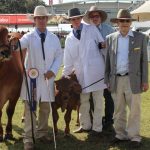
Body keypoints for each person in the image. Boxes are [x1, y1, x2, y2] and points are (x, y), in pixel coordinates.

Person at [12, 5, 62, 150]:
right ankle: (28, 138)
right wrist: (14, 42)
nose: (41, 20)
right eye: (38, 18)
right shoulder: (28, 36)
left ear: (47, 19)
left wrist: (53, 71)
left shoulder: (54, 38)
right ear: (34, 20)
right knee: (30, 109)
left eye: (43, 18)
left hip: (47, 79)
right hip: (32, 79)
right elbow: (17, 46)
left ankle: (41, 133)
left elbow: (59, 56)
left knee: (45, 108)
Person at [104, 9, 149, 148]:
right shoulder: (110, 38)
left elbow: (143, 61)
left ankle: (134, 136)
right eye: (121, 21)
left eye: (127, 20)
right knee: (118, 110)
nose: (124, 23)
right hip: (116, 80)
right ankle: (120, 134)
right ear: (117, 22)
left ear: (130, 22)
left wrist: (145, 80)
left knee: (134, 109)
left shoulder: (140, 37)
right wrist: (107, 80)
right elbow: (108, 62)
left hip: (133, 80)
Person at [62, 8, 106, 136]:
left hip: (97, 71)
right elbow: (68, 60)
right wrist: (65, 76)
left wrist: (108, 68)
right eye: (72, 19)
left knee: (98, 101)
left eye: (77, 18)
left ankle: (97, 128)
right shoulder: (69, 38)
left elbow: (103, 46)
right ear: (70, 20)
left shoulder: (92, 29)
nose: (75, 21)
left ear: (81, 18)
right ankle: (85, 125)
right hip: (81, 75)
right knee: (83, 101)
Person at [83, 5, 115, 132]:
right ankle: (95, 119)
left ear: (100, 17)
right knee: (91, 97)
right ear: (90, 18)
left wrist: (107, 45)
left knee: (108, 96)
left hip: (107, 67)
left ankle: (108, 120)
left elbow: (116, 45)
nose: (94, 18)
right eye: (92, 16)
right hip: (93, 70)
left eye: (96, 16)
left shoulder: (109, 29)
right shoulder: (86, 31)